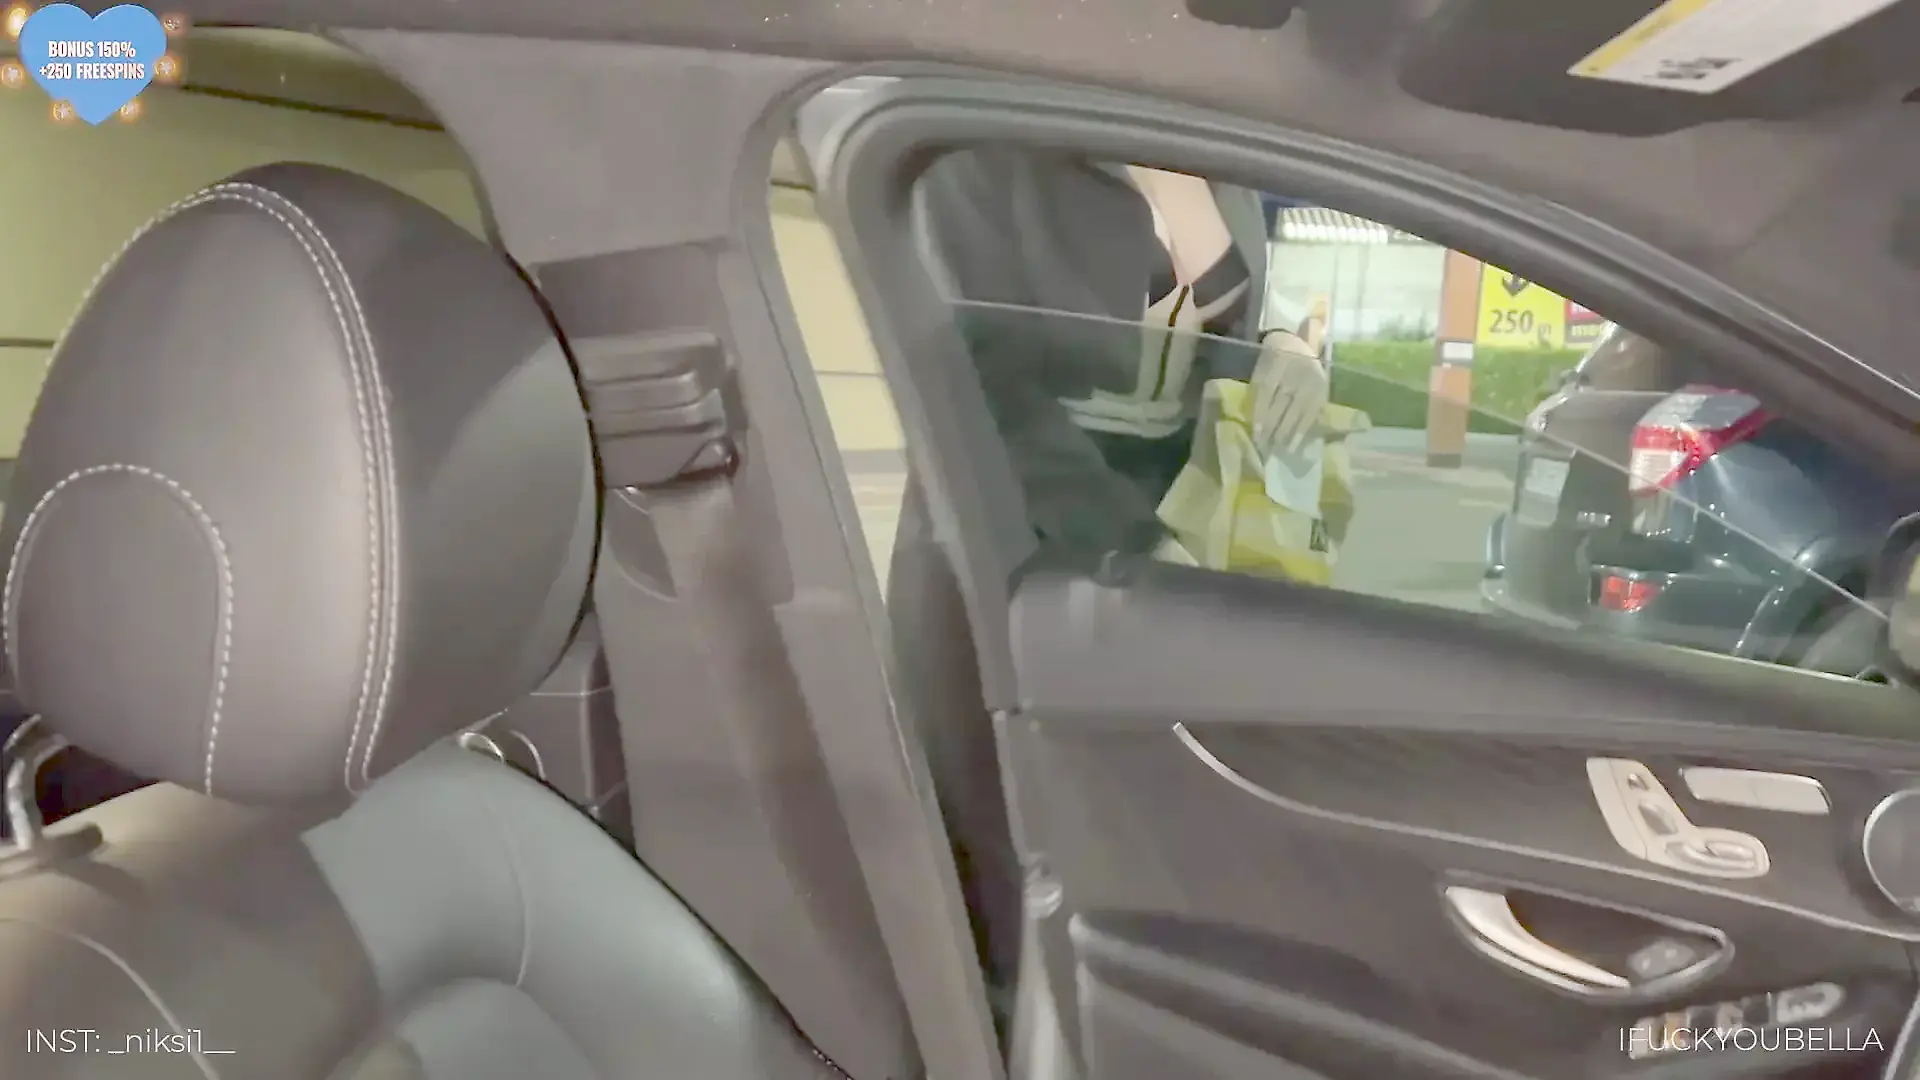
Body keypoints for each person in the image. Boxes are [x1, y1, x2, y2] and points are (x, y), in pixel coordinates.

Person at [911, 147, 1331, 555]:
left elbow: (1206, 334)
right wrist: (1136, 544)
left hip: (1186, 497)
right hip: (1030, 513)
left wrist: (1279, 349)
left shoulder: (1218, 149)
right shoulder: (989, 153)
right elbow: (984, 385)